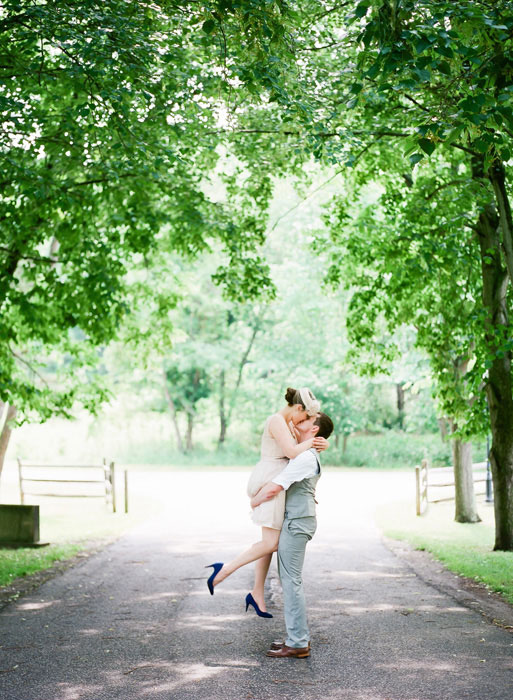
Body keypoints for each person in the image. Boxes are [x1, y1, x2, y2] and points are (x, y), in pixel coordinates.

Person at [206, 387, 328, 616]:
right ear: (298, 408)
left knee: (271, 540)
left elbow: (300, 449)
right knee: (271, 543)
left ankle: (257, 592)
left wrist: (321, 442)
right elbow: (292, 452)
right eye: (305, 416)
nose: (304, 421)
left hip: (279, 479)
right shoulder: (276, 420)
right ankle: (224, 570)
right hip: (271, 477)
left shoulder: (289, 422)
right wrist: (313, 444)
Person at [250, 411, 334, 658]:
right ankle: (295, 637)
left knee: (291, 580)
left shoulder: (306, 458)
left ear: (314, 429)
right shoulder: (304, 451)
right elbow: (287, 427)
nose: (301, 420)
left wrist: (254, 500)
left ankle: (298, 642)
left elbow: (276, 486)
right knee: (289, 579)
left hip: (298, 522)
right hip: (298, 520)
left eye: (308, 419)